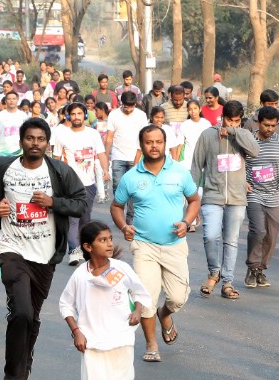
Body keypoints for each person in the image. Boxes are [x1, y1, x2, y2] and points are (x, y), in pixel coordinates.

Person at [0, 117, 88, 380]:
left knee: (32, 317)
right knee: (22, 312)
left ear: (47, 143)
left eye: (40, 139)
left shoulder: (60, 172)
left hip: (45, 254)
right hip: (11, 248)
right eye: (30, 138)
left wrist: (53, 203)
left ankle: (23, 374)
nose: (35, 143)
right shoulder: (3, 166)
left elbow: (81, 204)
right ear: (21, 141)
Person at [59, 221, 152, 380]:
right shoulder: (80, 275)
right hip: (92, 342)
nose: (109, 244)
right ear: (88, 247)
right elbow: (65, 305)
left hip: (121, 339)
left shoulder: (121, 269)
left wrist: (138, 311)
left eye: (110, 239)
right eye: (102, 240)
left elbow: (141, 294)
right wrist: (76, 332)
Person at [111, 125, 200, 362]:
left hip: (174, 244)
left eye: (158, 142)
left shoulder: (179, 172)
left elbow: (193, 200)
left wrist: (186, 221)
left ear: (164, 143)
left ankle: (165, 314)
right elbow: (116, 206)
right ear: (142, 145)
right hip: (144, 245)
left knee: (178, 297)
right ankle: (151, 345)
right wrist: (123, 227)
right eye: (149, 142)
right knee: (145, 296)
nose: (154, 146)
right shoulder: (131, 177)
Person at [190, 100, 258, 300]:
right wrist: (191, 197)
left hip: (237, 197)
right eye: (229, 121)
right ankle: (214, 272)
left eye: (237, 121)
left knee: (231, 241)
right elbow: (196, 166)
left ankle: (227, 282)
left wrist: (236, 132)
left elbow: (255, 151)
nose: (232, 124)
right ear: (222, 118)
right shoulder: (207, 135)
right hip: (212, 194)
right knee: (210, 236)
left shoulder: (243, 135)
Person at [243, 106, 279, 288]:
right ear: (258, 122)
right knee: (258, 231)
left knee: (272, 235)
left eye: (273, 126)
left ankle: (261, 269)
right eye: (266, 125)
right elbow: (238, 162)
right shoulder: (247, 141)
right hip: (253, 193)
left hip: (274, 194)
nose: (270, 129)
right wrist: (242, 180)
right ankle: (252, 267)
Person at [52, 102, 109, 266]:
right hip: (70, 184)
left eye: (79, 113)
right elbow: (56, 159)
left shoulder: (93, 134)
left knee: (85, 219)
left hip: (89, 183)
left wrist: (105, 170)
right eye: (73, 114)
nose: (76, 117)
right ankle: (73, 251)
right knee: (72, 219)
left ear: (85, 115)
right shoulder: (61, 134)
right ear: (68, 116)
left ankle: (84, 249)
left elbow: (101, 154)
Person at [104, 91, 149, 222]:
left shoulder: (141, 116)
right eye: (126, 106)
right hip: (117, 155)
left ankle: (131, 216)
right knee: (118, 185)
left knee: (133, 187)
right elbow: (109, 137)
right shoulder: (114, 115)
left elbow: (143, 138)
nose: (129, 109)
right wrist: (106, 157)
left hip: (135, 155)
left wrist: (138, 159)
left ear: (135, 104)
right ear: (121, 103)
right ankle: (119, 213)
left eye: (131, 106)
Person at [0, 91, 28, 157]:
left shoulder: (23, 116)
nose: (11, 101)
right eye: (9, 99)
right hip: (3, 152)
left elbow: (27, 133)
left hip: (19, 151)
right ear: (6, 101)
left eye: (14, 99)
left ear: (17, 100)